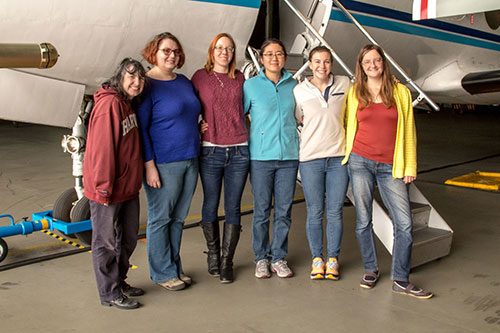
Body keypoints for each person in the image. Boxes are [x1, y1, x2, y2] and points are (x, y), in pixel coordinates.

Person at [342, 44, 433, 299]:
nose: (372, 65)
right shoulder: (354, 93)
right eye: (367, 61)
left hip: (391, 166)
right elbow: (346, 123)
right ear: (360, 66)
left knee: (404, 223)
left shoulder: (400, 92)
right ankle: (370, 269)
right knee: (363, 220)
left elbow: (410, 131)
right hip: (359, 161)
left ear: (383, 63)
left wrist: (410, 165)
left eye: (376, 60)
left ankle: (401, 279)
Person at [136, 32, 201, 292]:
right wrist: (149, 164)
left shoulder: (183, 81)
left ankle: (174, 267)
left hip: (189, 158)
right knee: (160, 219)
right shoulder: (147, 85)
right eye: (165, 50)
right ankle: (162, 273)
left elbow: (192, 112)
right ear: (154, 52)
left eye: (175, 51)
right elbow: (141, 129)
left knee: (178, 219)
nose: (171, 55)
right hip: (163, 163)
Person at [83, 58, 146, 310]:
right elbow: (102, 150)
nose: (137, 82)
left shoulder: (126, 103)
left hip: (127, 187)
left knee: (128, 238)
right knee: (105, 242)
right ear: (120, 77)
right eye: (131, 77)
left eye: (140, 78)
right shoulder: (109, 104)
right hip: (107, 188)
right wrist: (102, 187)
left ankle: (118, 281)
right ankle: (109, 293)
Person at [192, 33, 248, 283]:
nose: (224, 52)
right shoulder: (199, 77)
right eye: (220, 47)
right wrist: (197, 125)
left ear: (234, 53)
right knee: (210, 203)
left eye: (229, 48)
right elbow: (188, 106)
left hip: (239, 149)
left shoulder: (241, 79)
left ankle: (227, 260)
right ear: (212, 50)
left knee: (234, 206)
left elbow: (251, 108)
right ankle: (213, 254)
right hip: (211, 149)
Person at [243, 39, 299, 279]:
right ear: (262, 58)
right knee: (262, 211)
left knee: (284, 211)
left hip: (288, 157)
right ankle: (261, 258)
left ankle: (278, 257)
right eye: (268, 54)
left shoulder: (295, 85)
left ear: (285, 57)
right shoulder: (251, 86)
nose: (274, 58)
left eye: (278, 53)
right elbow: (238, 115)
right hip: (261, 158)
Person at [293, 46, 350, 280]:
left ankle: (333, 259)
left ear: (332, 63)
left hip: (338, 158)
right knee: (315, 212)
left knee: (335, 211)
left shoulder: (345, 84)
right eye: (317, 62)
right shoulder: (299, 90)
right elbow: (299, 117)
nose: (322, 66)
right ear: (310, 63)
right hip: (310, 160)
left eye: (326, 62)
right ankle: (317, 259)